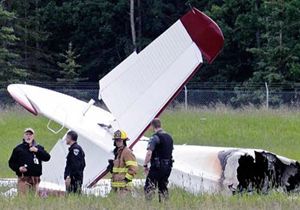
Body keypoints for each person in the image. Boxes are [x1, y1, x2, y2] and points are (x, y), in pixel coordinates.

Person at [8, 128, 51, 196]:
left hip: (36, 178)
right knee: (23, 199)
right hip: (23, 178)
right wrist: (19, 168)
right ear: (24, 136)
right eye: (27, 134)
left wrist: (37, 151)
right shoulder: (18, 149)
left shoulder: (39, 147)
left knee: (34, 200)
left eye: (30, 134)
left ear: (33, 136)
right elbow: (11, 163)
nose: (28, 136)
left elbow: (47, 157)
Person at [143, 118, 174, 202]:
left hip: (157, 167)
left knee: (149, 187)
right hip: (168, 167)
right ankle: (164, 205)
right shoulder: (169, 137)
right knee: (163, 187)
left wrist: (145, 165)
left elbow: (149, 153)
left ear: (152, 126)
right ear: (160, 125)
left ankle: (148, 206)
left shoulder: (155, 137)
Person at [110, 130, 138, 195]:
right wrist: (112, 167)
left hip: (124, 189)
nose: (118, 142)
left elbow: (133, 169)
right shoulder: (117, 153)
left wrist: (126, 180)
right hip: (115, 188)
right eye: (116, 140)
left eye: (120, 140)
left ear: (124, 141)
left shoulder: (127, 152)